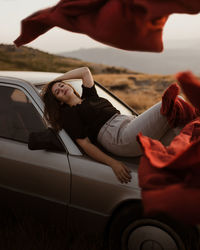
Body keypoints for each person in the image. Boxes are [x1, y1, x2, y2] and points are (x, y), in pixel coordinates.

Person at [42, 67, 178, 184]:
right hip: (118, 137)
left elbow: (84, 71)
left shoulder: (90, 96)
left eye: (61, 85)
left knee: (180, 134)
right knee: (172, 103)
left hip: (129, 123)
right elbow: (86, 145)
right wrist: (113, 163)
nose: (61, 89)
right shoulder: (70, 115)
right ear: (59, 102)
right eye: (57, 92)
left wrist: (55, 80)